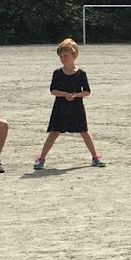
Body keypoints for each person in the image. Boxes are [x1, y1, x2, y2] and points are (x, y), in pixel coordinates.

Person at [34, 39, 105, 168]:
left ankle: (95, 156)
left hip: (76, 107)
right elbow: (53, 90)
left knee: (84, 131)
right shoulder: (57, 73)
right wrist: (65, 94)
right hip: (60, 107)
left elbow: (87, 91)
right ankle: (41, 159)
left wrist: (76, 95)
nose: (63, 58)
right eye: (61, 56)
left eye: (65, 55)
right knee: (54, 132)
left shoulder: (81, 74)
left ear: (74, 55)